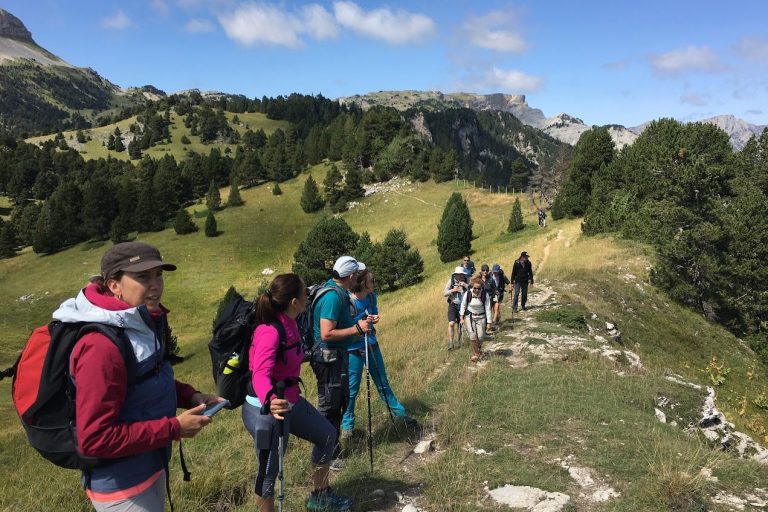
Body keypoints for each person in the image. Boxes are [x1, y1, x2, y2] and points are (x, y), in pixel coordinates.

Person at [53, 242, 223, 512]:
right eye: (143, 277)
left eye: (159, 275)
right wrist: (173, 429)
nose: (156, 284)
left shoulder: (138, 321)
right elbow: (95, 438)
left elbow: (146, 377)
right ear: (114, 285)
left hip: (150, 466)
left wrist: (189, 395)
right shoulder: (100, 347)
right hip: (122, 489)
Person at [243, 273, 352, 512]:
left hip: (289, 400)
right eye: (305, 292)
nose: (308, 295)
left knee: (326, 435)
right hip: (266, 409)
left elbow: (290, 357)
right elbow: (260, 374)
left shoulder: (291, 322)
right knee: (269, 471)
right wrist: (270, 400)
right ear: (294, 301)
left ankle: (320, 497)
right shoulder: (269, 332)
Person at [310, 256, 370, 471]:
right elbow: (327, 333)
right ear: (351, 276)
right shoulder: (333, 297)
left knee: (339, 402)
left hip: (335, 357)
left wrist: (359, 329)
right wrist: (357, 330)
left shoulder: (336, 291)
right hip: (328, 360)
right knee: (329, 407)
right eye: (358, 274)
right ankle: (328, 454)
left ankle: (332, 449)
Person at [341, 264, 415, 438]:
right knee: (352, 390)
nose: (374, 282)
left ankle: (400, 415)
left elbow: (373, 314)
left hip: (372, 345)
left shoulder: (372, 297)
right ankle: (347, 426)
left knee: (382, 383)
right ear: (362, 283)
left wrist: (375, 319)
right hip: (353, 350)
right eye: (371, 280)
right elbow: (343, 326)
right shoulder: (347, 301)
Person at [459, 276, 492, 362]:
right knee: (473, 336)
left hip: (481, 317)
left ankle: (478, 349)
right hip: (470, 317)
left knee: (481, 337)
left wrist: (489, 322)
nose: (477, 290)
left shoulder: (485, 294)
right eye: (475, 288)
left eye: (479, 288)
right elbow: (463, 305)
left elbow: (488, 308)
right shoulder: (468, 294)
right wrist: (461, 317)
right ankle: (476, 354)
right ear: (472, 286)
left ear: (481, 287)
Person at [443, 265, 469, 350]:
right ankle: (451, 342)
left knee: (460, 325)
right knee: (451, 323)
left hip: (463, 306)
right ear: (455, 274)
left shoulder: (466, 280)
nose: (459, 276)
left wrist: (465, 285)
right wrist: (452, 291)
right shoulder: (450, 281)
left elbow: (473, 290)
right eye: (458, 274)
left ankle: (458, 341)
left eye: (461, 274)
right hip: (453, 304)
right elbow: (444, 293)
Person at [479, 264, 497, 334]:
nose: (485, 271)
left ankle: (487, 328)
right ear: (481, 271)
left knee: (487, 312)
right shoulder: (479, 279)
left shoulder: (491, 279)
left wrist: (495, 298)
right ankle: (484, 328)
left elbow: (495, 289)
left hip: (489, 299)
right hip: (480, 299)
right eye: (483, 270)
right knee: (482, 313)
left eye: (486, 270)